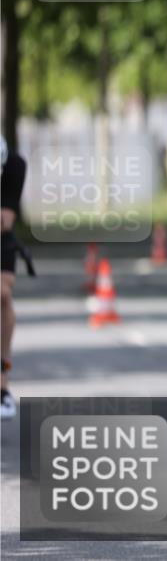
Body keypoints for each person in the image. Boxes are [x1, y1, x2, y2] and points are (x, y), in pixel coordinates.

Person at [1, 136, 28, 420]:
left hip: (1, 240)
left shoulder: (14, 165)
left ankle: (2, 384)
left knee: (3, 294)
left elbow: (4, 221)